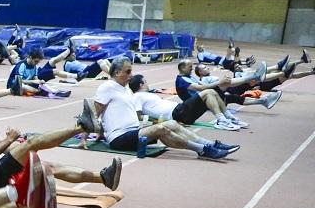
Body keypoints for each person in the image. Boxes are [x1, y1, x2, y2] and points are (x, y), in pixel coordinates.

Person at [0, 93, 118, 205]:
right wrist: (14, 141)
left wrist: (20, 147)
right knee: (33, 143)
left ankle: (104, 178)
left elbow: (6, 147)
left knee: (50, 167)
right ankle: (81, 127)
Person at [93, 57, 236, 160]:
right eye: (128, 71)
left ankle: (210, 144)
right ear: (117, 73)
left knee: (172, 124)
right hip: (119, 138)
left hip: (133, 132)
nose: (131, 75)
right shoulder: (106, 87)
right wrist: (89, 134)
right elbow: (94, 113)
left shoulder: (124, 89)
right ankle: (203, 150)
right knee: (160, 129)